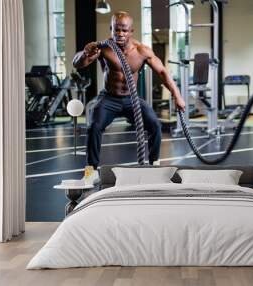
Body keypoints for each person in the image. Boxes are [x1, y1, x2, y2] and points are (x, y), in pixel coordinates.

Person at [73, 11, 185, 179]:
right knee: (94, 127)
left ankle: (154, 164)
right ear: (111, 29)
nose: (120, 34)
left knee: (155, 124)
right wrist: (85, 53)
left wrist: (177, 96)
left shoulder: (142, 51)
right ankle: (91, 171)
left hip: (131, 99)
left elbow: (162, 72)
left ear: (131, 31)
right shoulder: (103, 48)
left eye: (124, 30)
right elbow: (78, 64)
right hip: (109, 98)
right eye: (116, 30)